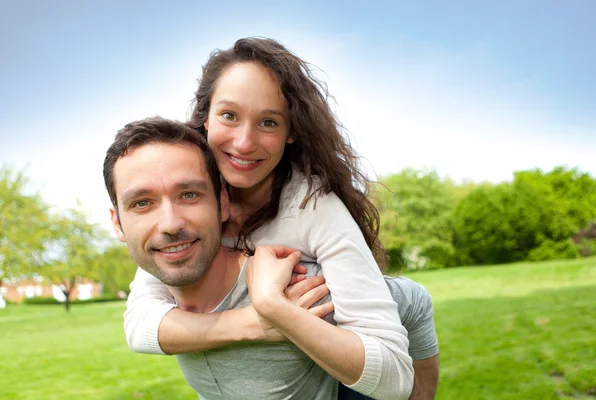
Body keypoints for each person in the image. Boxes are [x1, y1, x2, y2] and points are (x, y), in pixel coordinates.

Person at [122, 37, 430, 399]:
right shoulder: (187, 196)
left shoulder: (313, 206)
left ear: (291, 132)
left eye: (268, 122)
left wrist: (272, 304)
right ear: (204, 117)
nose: (244, 142)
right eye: (229, 115)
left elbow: (393, 377)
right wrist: (254, 322)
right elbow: (141, 325)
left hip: (345, 357)